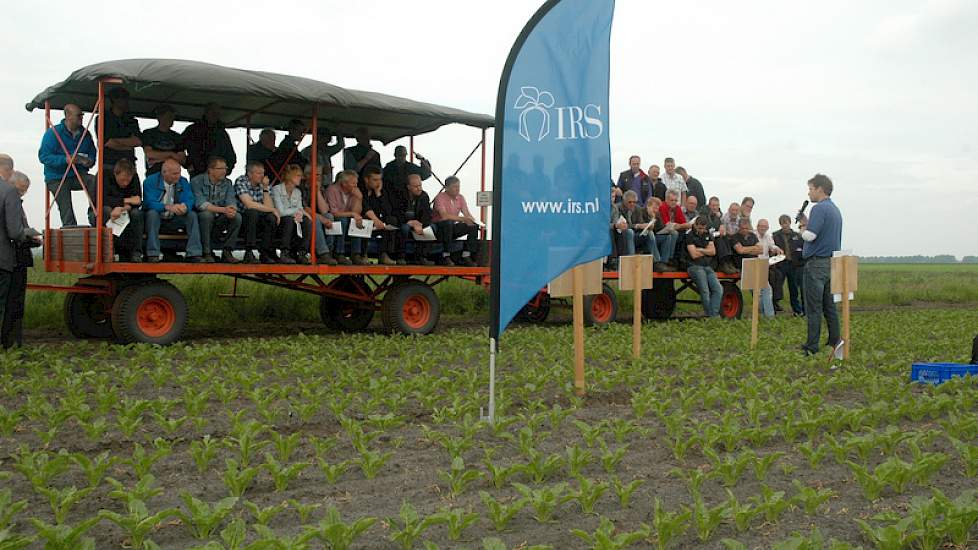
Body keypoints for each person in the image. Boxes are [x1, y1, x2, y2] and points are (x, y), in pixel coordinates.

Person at [800, 174, 843, 356]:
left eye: (810, 188)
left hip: (816, 264)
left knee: (814, 307)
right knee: (828, 306)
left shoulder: (818, 209)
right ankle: (834, 340)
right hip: (830, 263)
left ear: (819, 189)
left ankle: (811, 346)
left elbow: (811, 236)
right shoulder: (834, 209)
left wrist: (802, 229)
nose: (809, 192)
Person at [38, 103, 97, 227]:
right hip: (57, 177)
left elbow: (92, 153)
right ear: (68, 116)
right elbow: (44, 156)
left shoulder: (85, 134)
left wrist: (89, 161)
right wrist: (65, 159)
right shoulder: (53, 133)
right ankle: (71, 230)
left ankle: (94, 216)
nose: (81, 118)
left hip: (77, 174)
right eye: (78, 116)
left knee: (93, 181)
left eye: (82, 115)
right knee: (66, 207)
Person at [1, 171, 42, 349]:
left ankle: (12, 341)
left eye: (24, 191)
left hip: (15, 257)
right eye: (20, 191)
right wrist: (27, 236)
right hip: (12, 258)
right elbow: (15, 231)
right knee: (12, 303)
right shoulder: (9, 197)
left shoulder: (11, 198)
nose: (22, 195)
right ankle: (10, 342)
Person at [143, 159, 205, 263]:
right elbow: (149, 202)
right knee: (152, 214)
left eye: (179, 172)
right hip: (157, 217)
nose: (178, 176)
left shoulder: (183, 181)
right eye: (175, 174)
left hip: (175, 218)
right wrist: (167, 207)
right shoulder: (150, 181)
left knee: (192, 215)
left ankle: (194, 253)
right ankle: (153, 254)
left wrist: (184, 206)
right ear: (164, 173)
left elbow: (190, 199)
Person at [191, 156, 241, 263]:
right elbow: (201, 204)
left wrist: (231, 209)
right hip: (203, 220)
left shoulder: (227, 183)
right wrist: (224, 210)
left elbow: (231, 200)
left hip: (220, 218)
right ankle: (206, 252)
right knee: (206, 214)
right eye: (221, 169)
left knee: (237, 217)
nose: (224, 171)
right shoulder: (197, 181)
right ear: (210, 170)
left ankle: (227, 252)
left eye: (225, 169)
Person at [234, 161, 280, 264]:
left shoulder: (265, 185)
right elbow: (249, 204)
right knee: (252, 212)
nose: (262, 176)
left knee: (271, 218)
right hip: (243, 220)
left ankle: (265, 253)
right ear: (249, 174)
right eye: (258, 173)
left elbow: (268, 207)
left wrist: (265, 189)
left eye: (263, 173)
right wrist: (272, 209)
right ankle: (249, 252)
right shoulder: (241, 181)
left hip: (259, 220)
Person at [97, 87, 142, 188]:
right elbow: (107, 143)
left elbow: (138, 141)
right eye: (123, 98)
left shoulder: (131, 120)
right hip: (110, 164)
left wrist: (116, 142)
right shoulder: (102, 118)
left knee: (134, 195)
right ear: (114, 100)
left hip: (129, 164)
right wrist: (128, 144)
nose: (126, 102)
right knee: (108, 197)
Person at [432, 176, 480, 267]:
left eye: (458, 186)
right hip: (439, 228)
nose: (457, 189)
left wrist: (471, 220)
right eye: (454, 187)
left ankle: (466, 255)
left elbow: (466, 214)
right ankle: (446, 256)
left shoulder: (460, 198)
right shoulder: (440, 197)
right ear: (447, 187)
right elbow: (444, 216)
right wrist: (463, 219)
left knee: (473, 226)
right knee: (448, 223)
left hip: (452, 227)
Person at [101, 159, 144, 262]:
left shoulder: (134, 178)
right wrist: (125, 202)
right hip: (107, 209)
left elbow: (137, 201)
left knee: (137, 214)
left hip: (125, 210)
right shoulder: (104, 176)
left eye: (128, 181)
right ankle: (109, 250)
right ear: (116, 174)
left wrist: (121, 208)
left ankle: (136, 252)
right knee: (106, 211)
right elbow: (102, 199)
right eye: (122, 180)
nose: (125, 183)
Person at [298, 164, 339, 266]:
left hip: (317, 218)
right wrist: (321, 219)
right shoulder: (300, 188)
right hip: (302, 218)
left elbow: (325, 210)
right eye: (315, 175)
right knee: (314, 219)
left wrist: (317, 191)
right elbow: (305, 209)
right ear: (307, 175)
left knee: (330, 216)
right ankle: (323, 254)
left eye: (319, 175)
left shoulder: (321, 188)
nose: (318, 178)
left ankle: (329, 252)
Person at [182, 103, 236, 177]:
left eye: (217, 113)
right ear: (206, 112)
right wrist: (188, 164)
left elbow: (231, 156)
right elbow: (179, 148)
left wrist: (226, 170)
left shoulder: (222, 133)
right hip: (198, 174)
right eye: (212, 112)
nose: (215, 115)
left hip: (218, 176)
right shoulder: (192, 130)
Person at [271, 164, 311, 264]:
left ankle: (302, 253)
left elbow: (300, 209)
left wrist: (303, 215)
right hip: (279, 223)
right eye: (298, 175)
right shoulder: (277, 189)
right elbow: (281, 211)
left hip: (293, 221)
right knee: (288, 219)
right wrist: (297, 211)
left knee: (307, 222)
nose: (301, 178)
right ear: (289, 176)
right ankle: (285, 252)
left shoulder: (297, 192)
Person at [362, 167, 402, 265]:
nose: (378, 183)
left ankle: (384, 254)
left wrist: (378, 194)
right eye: (375, 180)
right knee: (366, 220)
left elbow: (388, 210)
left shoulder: (381, 191)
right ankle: (363, 255)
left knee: (391, 220)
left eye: (380, 179)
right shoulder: (360, 190)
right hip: (362, 221)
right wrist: (375, 220)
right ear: (366, 179)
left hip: (377, 223)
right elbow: (364, 207)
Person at [327, 169, 367, 265]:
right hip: (332, 219)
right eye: (353, 183)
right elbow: (334, 212)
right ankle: (339, 253)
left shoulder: (353, 192)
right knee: (343, 220)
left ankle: (356, 254)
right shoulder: (332, 189)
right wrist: (352, 214)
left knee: (357, 220)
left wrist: (359, 198)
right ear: (344, 183)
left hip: (347, 218)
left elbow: (356, 212)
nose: (356, 186)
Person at [686, 215, 722, 317]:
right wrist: (706, 251)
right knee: (705, 291)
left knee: (718, 289)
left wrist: (700, 250)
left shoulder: (707, 234)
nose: (702, 230)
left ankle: (713, 314)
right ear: (695, 225)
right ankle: (711, 316)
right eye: (699, 228)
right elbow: (693, 255)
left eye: (703, 228)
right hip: (694, 266)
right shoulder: (689, 235)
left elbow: (713, 251)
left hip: (707, 266)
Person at [399, 173, 435, 265]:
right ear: (408, 187)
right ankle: (401, 256)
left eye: (420, 185)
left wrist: (420, 224)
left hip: (419, 223)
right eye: (416, 186)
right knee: (404, 228)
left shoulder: (424, 196)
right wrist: (409, 222)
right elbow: (396, 213)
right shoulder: (400, 195)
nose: (419, 188)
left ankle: (422, 256)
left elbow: (427, 214)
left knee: (431, 227)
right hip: (405, 222)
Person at [141, 104, 187, 176]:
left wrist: (158, 159)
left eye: (173, 117)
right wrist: (171, 154)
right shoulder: (149, 133)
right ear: (159, 117)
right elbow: (149, 154)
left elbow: (182, 159)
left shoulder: (177, 137)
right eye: (168, 117)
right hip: (154, 174)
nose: (171, 119)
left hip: (172, 175)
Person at [773, 214, 805, 315]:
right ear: (780, 224)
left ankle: (797, 309)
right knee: (777, 286)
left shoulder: (797, 236)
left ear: (790, 223)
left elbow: (802, 248)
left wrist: (800, 260)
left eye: (786, 222)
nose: (785, 225)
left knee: (793, 288)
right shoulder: (775, 236)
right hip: (781, 264)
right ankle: (774, 306)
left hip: (793, 265)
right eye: (782, 223)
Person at [382, 145, 432, 210]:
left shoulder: (411, 167)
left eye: (404, 155)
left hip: (409, 198)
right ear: (395, 155)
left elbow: (426, 173)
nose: (402, 157)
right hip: (393, 197)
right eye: (400, 155)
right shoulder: (389, 167)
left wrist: (422, 160)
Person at [755, 218, 783, 318]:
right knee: (765, 290)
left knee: (763, 291)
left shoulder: (768, 236)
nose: (763, 228)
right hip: (755, 265)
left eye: (765, 227)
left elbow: (772, 246)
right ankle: (769, 316)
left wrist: (777, 249)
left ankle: (763, 314)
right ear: (757, 226)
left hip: (765, 266)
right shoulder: (753, 236)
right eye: (761, 226)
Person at [659, 190, 690, 266]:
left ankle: (681, 260)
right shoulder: (662, 207)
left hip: (672, 231)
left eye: (676, 200)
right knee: (674, 233)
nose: (674, 202)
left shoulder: (677, 208)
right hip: (660, 231)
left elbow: (684, 223)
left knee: (685, 234)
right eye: (672, 200)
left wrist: (681, 226)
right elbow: (667, 225)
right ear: (666, 200)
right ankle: (670, 258)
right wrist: (680, 226)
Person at [606, 186, 629, 271]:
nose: (612, 199)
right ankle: (613, 259)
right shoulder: (599, 207)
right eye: (610, 197)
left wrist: (620, 225)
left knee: (622, 232)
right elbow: (600, 225)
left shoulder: (615, 208)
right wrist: (615, 226)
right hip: (600, 231)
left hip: (611, 228)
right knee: (611, 232)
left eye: (614, 197)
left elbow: (615, 221)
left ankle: (623, 259)